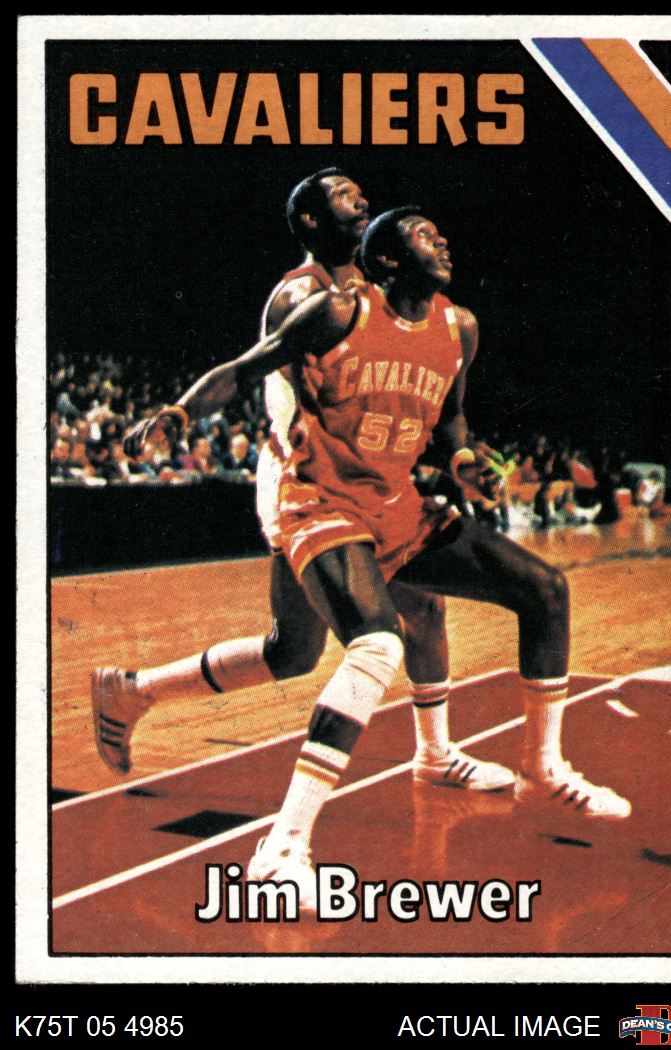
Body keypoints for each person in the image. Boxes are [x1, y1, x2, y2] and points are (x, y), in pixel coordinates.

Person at [106, 205, 630, 909]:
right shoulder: (335, 310)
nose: (442, 240)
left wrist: (466, 462)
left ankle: (537, 768)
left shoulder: (458, 327)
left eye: (440, 233)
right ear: (386, 261)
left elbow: (450, 420)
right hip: (315, 497)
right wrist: (177, 413)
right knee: (376, 644)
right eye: (424, 236)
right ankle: (281, 848)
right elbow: (244, 368)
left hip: (393, 503)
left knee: (541, 589)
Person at [92, 171, 513, 795]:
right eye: (345, 197)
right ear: (312, 221)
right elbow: (263, 382)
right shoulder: (303, 294)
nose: (362, 201)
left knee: (301, 649)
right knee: (376, 628)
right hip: (306, 476)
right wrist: (183, 412)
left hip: (357, 477)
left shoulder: (373, 291)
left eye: (362, 195)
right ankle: (428, 756)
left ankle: (133, 692)